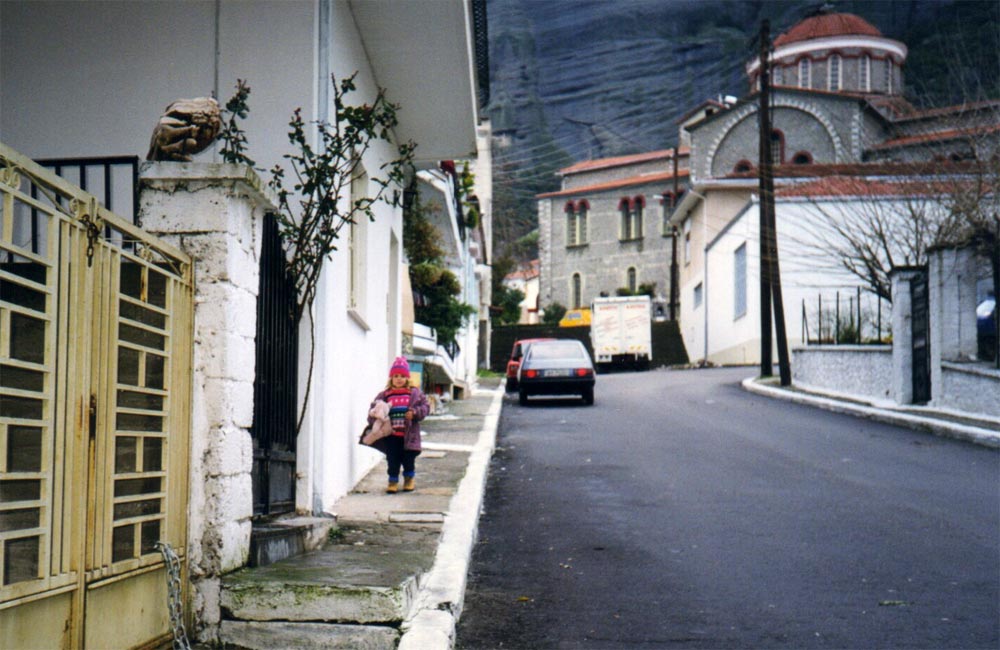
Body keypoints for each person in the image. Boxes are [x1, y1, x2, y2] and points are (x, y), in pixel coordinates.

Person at [364, 356, 429, 493]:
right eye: (396, 376)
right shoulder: (386, 394)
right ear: (391, 378)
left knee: (408, 459)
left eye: (402, 376)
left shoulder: (414, 393)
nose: (399, 379)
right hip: (392, 435)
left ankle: (409, 479)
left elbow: (425, 407)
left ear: (407, 378)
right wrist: (376, 416)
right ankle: (392, 480)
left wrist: (415, 413)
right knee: (392, 459)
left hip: (409, 435)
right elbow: (374, 409)